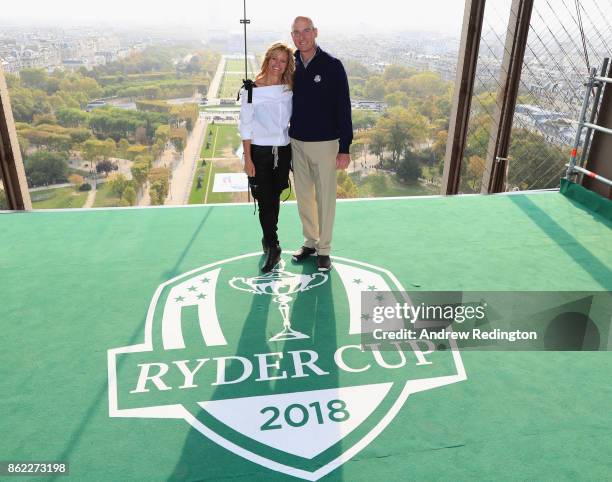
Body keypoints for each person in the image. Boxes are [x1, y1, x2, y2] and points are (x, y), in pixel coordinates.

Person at [289, 16, 353, 272]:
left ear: (315, 32)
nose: (301, 37)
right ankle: (310, 242)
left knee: (325, 199)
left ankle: (324, 249)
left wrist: (345, 147)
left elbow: (343, 107)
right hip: (296, 142)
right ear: (292, 36)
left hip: (325, 144)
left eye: (306, 31)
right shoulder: (290, 66)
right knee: (304, 197)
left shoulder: (332, 66)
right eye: (296, 32)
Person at [239, 42, 295, 273]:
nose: (277, 64)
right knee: (264, 201)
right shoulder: (252, 89)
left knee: (273, 198)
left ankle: (269, 238)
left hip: (282, 150)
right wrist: (248, 158)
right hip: (260, 153)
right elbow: (245, 125)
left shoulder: (289, 88)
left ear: (287, 65)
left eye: (283, 61)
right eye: (274, 59)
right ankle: (274, 245)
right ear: (267, 59)